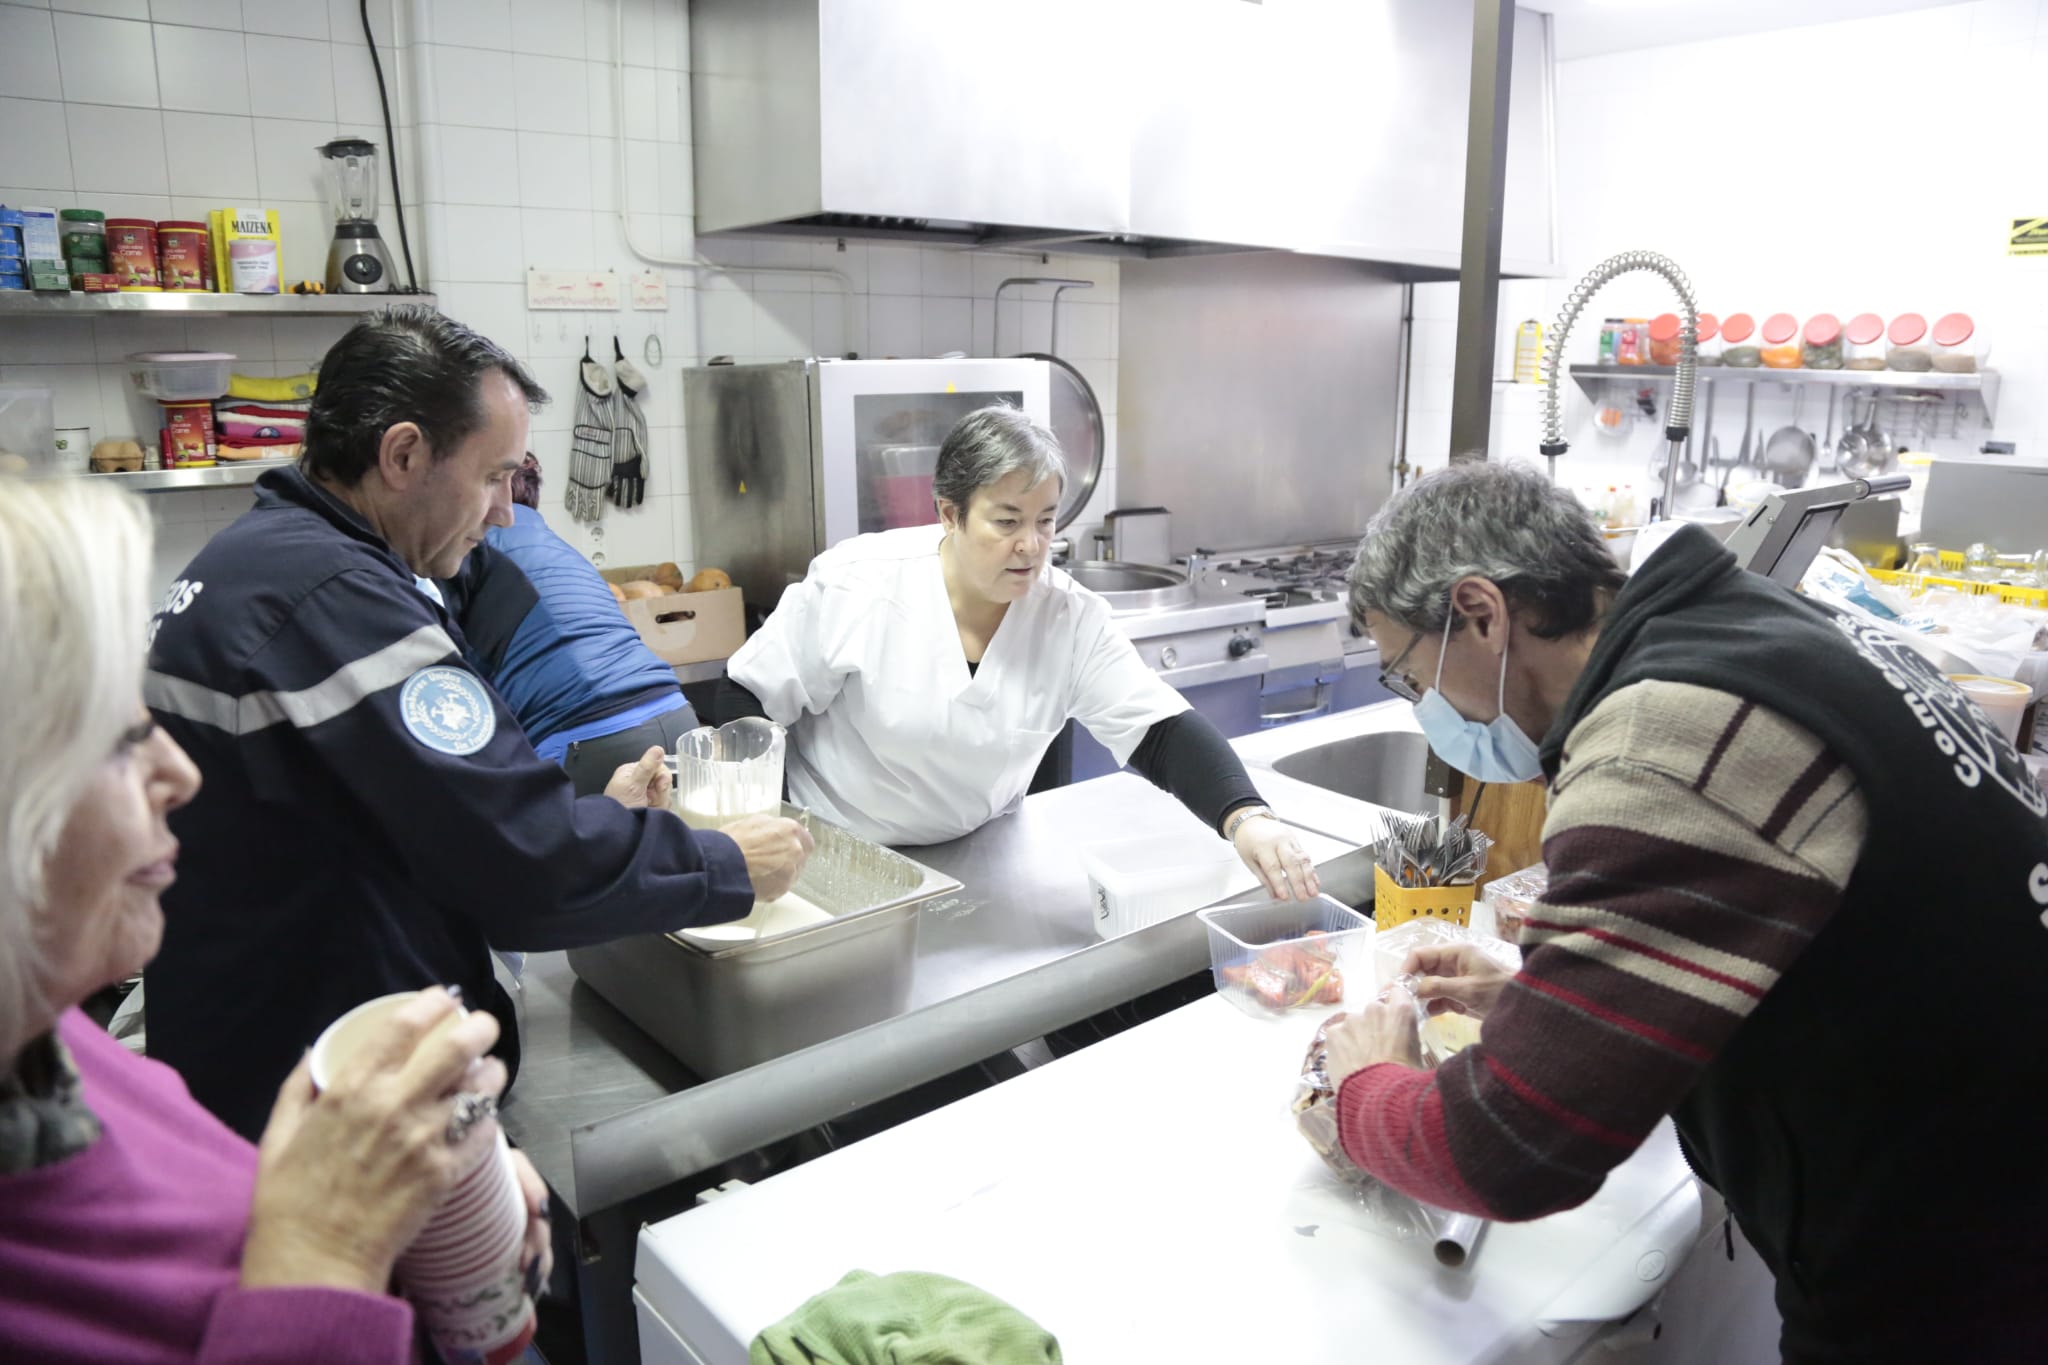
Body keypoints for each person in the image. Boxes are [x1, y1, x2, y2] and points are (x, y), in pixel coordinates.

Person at [1318, 461, 2048, 1362]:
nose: (1424, 706)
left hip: (1961, 1263)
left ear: (1480, 612)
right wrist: (1538, 1001)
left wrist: (1361, 1086)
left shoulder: (1662, 737)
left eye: (1408, 674)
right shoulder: (1748, 628)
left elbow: (1505, 1149)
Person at [143, 306, 812, 1139]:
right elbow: (522, 874)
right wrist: (725, 862)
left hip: (261, 1059)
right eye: (494, 476)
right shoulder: (334, 600)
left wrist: (595, 814)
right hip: (315, 1108)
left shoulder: (260, 565)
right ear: (403, 455)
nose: (504, 513)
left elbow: (398, 821)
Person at [0, 478, 550, 1362]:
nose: (179, 773)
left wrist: (397, 1208)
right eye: (114, 735)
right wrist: (325, 1253)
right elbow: (531, 848)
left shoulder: (48, 1037)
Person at [720, 404, 1315, 900]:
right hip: (836, 855)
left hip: (981, 857)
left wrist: (1248, 821)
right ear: (949, 514)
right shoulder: (859, 583)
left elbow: (1159, 732)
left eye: (1046, 522)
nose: (1030, 546)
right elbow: (746, 700)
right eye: (1006, 522)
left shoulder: (1068, 617)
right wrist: (740, 829)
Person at [440, 453, 699, 796]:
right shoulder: (562, 549)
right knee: (673, 848)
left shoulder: (471, 551)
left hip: (590, 738)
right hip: (678, 715)